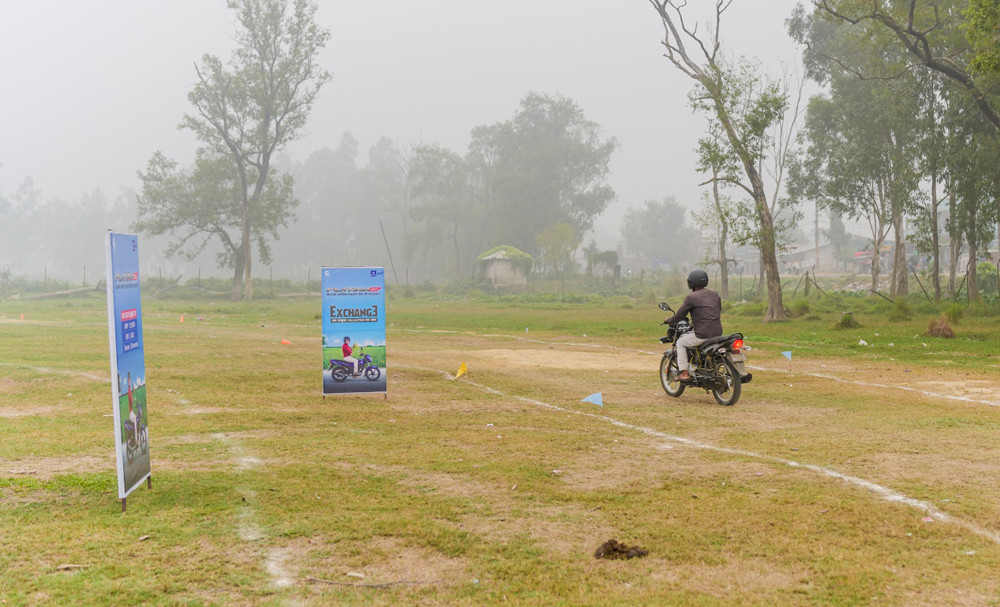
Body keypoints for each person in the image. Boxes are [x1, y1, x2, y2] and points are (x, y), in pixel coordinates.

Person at [664, 269, 723, 381]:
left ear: (691, 282)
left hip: (702, 334)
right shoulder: (714, 294)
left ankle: (684, 373)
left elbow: (679, 316)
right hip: (718, 333)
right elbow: (717, 310)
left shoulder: (692, 297)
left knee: (680, 342)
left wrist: (670, 320)